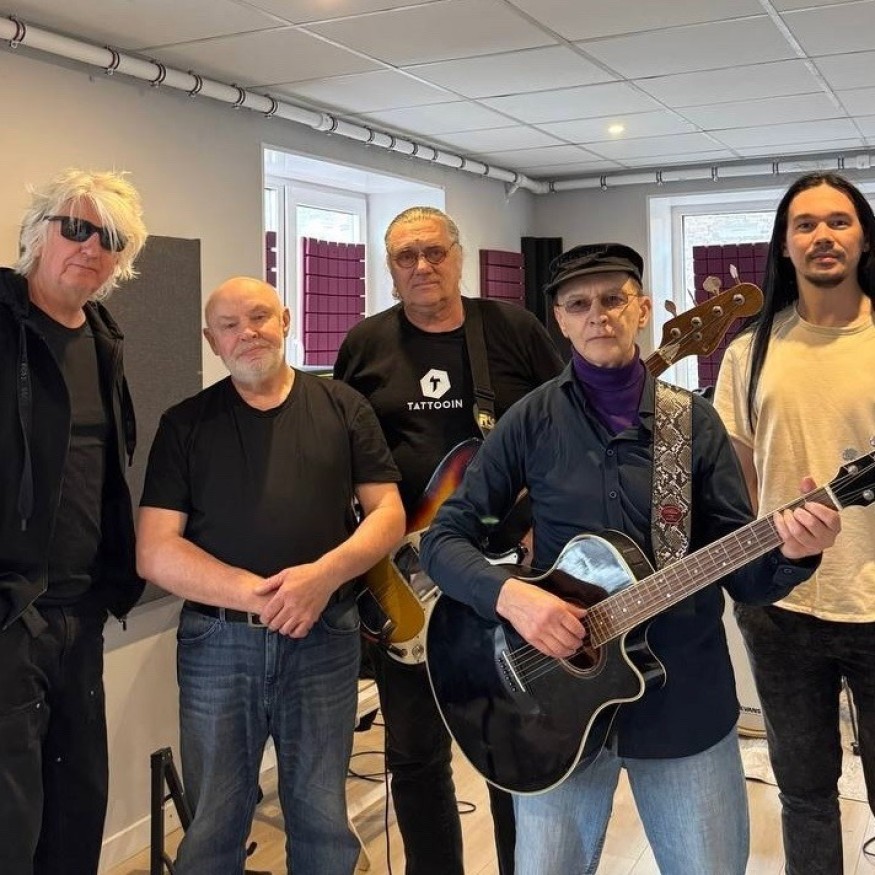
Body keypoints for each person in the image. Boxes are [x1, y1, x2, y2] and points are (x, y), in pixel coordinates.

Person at [418, 242, 841, 875]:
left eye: (613, 299)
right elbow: (445, 539)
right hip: (550, 709)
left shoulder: (693, 423)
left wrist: (794, 553)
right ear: (560, 320)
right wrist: (514, 597)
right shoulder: (530, 421)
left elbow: (746, 578)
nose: (598, 315)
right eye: (579, 304)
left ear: (641, 309)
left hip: (683, 705)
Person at [136, 276, 405, 874]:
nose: (247, 333)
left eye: (259, 317)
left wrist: (322, 578)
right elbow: (155, 551)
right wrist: (261, 597)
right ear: (212, 341)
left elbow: (388, 513)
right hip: (216, 644)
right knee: (212, 823)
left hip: (324, 635)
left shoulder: (343, 407)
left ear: (284, 319)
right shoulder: (185, 424)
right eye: (229, 326)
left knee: (322, 817)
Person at [333, 206, 563, 875]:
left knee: (511, 747)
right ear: (389, 266)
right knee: (414, 754)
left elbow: (562, 429)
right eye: (405, 256)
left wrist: (541, 522)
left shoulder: (512, 330)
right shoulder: (365, 343)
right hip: (403, 579)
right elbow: (339, 449)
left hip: (507, 578)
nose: (422, 266)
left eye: (434, 251)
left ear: (459, 256)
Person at [714, 172, 875, 873]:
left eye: (838, 221)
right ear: (784, 245)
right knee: (804, 794)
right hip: (780, 611)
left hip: (874, 602)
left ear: (863, 237)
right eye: (804, 224)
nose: (822, 236)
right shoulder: (749, 352)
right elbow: (738, 484)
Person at [0, 168, 148, 874]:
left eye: (110, 237)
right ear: (38, 233)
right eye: (77, 227)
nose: (91, 246)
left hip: (80, 614)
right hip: (9, 616)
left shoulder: (103, 339)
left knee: (76, 809)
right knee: (10, 824)